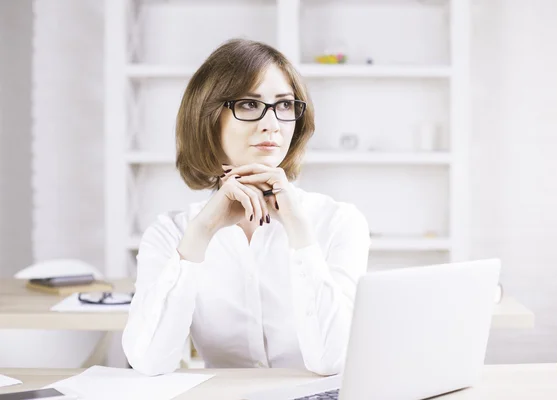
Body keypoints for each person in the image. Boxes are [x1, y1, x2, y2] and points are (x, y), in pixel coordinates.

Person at [121, 38, 370, 377]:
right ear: (208, 117)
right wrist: (202, 232)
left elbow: (331, 361)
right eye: (250, 104)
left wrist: (298, 228)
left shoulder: (339, 222)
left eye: (284, 105)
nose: (272, 124)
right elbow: (148, 362)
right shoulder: (172, 234)